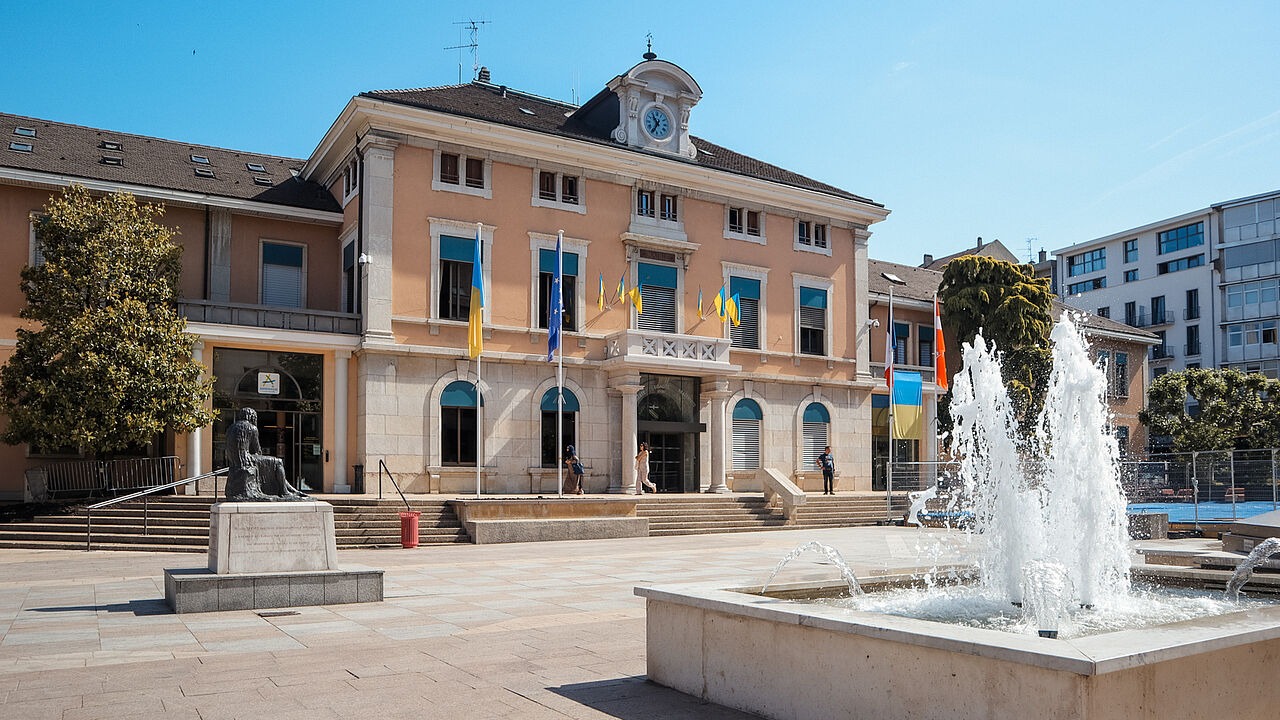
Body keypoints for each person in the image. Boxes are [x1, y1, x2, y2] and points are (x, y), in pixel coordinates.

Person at [224, 407, 308, 501]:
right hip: (247, 460)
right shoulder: (252, 428)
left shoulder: (230, 428)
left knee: (272, 462)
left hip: (235, 463)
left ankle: (291, 489)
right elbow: (257, 450)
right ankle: (284, 491)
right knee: (278, 462)